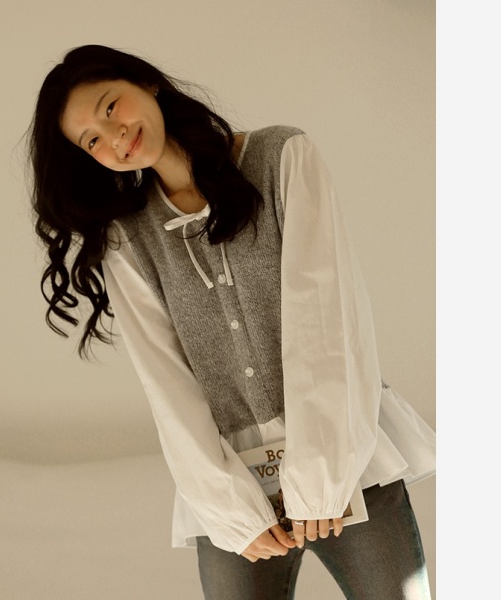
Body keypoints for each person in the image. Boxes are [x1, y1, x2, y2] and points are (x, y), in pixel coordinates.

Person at [28, 44, 436, 600]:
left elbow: (323, 321)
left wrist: (321, 478)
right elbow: (167, 384)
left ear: (146, 83)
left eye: (110, 107)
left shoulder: (281, 157)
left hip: (345, 455)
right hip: (234, 483)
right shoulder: (127, 239)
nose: (114, 136)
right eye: (92, 141)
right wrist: (229, 509)